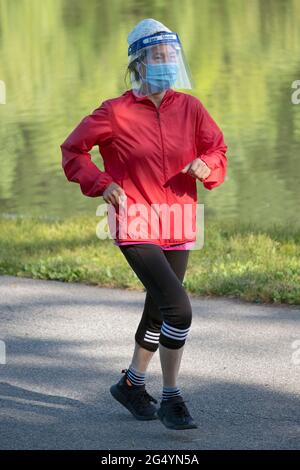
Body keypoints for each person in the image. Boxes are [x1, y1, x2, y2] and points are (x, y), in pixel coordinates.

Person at [60, 18, 228, 430]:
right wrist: (102, 183)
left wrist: (208, 165)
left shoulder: (191, 108)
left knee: (158, 311)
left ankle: (132, 384)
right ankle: (172, 397)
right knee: (179, 309)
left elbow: (218, 148)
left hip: (180, 222)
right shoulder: (114, 113)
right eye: (158, 56)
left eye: (172, 55)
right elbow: (73, 151)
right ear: (139, 63)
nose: (167, 62)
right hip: (135, 223)